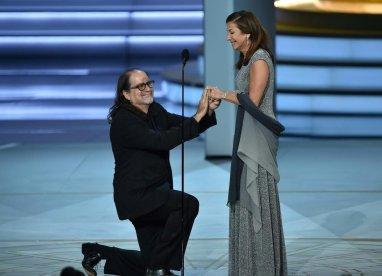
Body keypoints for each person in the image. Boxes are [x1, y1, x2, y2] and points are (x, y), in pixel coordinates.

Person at [81, 68, 220, 276]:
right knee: (187, 205)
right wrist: (198, 115)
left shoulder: (155, 110)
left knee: (150, 258)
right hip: (138, 196)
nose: (147, 89)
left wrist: (207, 111)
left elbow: (185, 125)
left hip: (156, 192)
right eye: (140, 86)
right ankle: (158, 269)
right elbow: (161, 141)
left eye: (149, 83)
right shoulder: (124, 121)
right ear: (126, 94)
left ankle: (97, 253)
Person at [208, 10, 287, 275]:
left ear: (247, 33)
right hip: (246, 134)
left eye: (232, 31)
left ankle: (262, 267)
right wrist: (225, 97)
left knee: (256, 198)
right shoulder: (245, 60)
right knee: (244, 198)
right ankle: (248, 266)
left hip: (258, 139)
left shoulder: (260, 59)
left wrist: (223, 94)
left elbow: (252, 100)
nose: (228, 37)